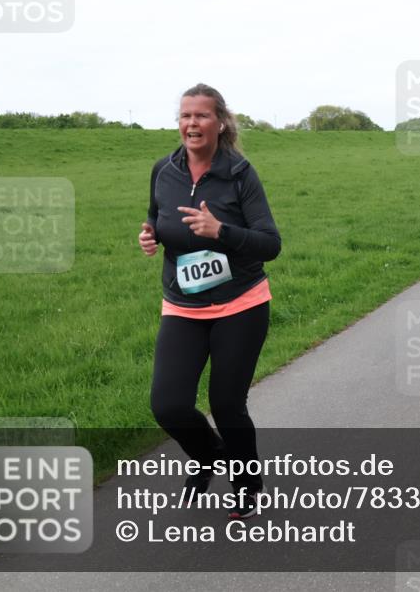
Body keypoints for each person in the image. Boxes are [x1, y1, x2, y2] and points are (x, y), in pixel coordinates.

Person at [138, 82, 281, 520]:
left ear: (220, 122)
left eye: (200, 115)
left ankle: (246, 482)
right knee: (168, 404)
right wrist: (149, 233)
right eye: (185, 115)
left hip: (241, 303)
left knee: (225, 403)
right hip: (182, 304)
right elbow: (156, 214)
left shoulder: (240, 174)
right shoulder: (165, 169)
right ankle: (207, 454)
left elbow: (269, 243)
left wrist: (221, 232)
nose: (191, 123)